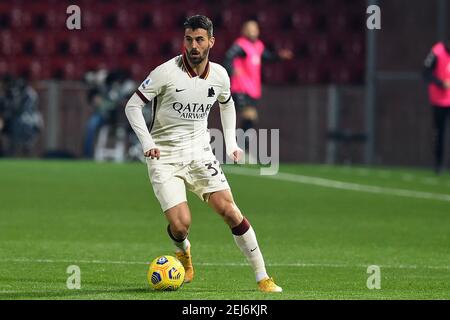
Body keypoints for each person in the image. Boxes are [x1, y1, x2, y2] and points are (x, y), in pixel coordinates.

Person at [124, 15, 282, 292]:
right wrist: (147, 142)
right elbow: (132, 106)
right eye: (188, 39)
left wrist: (231, 143)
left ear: (211, 41)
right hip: (165, 157)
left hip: (200, 153)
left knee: (230, 211)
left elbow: (227, 104)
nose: (193, 46)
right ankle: (184, 253)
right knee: (181, 225)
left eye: (199, 39)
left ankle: (262, 276)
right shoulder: (165, 72)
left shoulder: (220, 75)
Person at [223, 20, 293, 137]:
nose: (252, 31)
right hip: (241, 88)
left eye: (254, 28)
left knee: (249, 119)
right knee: (249, 116)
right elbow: (227, 59)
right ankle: (239, 146)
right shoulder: (240, 45)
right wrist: (232, 69)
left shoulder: (258, 46)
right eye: (249, 28)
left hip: (252, 89)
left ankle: (238, 145)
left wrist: (279, 56)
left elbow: (268, 57)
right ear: (244, 31)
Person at [423, 38, 450, 174]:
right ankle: (438, 165)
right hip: (439, 101)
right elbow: (425, 73)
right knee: (439, 133)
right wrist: (441, 83)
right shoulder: (437, 51)